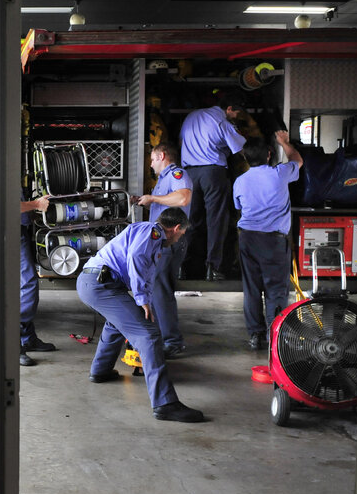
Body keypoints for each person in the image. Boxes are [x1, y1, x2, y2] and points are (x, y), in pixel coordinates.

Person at [76, 207, 205, 423]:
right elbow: (136, 259)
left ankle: (101, 371)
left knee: (117, 323)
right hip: (100, 284)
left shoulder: (148, 232)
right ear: (175, 229)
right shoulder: (153, 233)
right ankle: (165, 404)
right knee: (148, 335)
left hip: (98, 283)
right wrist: (142, 300)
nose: (179, 238)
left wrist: (144, 300)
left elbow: (142, 270)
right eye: (181, 234)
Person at [233, 130, 303, 350]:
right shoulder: (280, 173)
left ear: (245, 158)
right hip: (273, 241)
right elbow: (298, 160)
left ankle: (255, 335)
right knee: (275, 289)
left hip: (247, 239)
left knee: (252, 288)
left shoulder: (239, 181)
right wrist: (285, 142)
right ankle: (276, 336)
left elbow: (238, 207)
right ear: (269, 154)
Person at [180, 92, 248, 281]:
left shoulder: (191, 116)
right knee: (216, 221)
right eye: (236, 113)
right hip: (213, 174)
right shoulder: (222, 122)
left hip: (189, 175)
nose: (236, 117)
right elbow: (242, 150)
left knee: (190, 221)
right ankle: (213, 267)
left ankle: (183, 266)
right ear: (229, 109)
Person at [133, 142, 192, 357]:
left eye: (152, 159)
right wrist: (147, 202)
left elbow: (184, 197)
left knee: (161, 290)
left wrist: (154, 198)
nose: (150, 163)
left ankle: (173, 342)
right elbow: (167, 204)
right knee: (156, 289)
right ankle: (163, 338)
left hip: (172, 240)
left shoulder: (176, 174)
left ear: (162, 155)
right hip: (162, 241)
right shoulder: (163, 180)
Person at [20, 192, 56, 366]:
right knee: (27, 284)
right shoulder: (1, 167)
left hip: (18, 229)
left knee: (25, 284)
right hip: (8, 230)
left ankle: (28, 338)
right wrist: (35, 204)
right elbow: (6, 204)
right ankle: (15, 342)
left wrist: (31, 213)